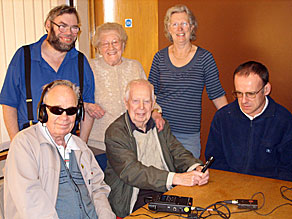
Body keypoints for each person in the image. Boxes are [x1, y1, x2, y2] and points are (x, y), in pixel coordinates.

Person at [4, 80, 115, 218]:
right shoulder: (24, 144)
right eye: (57, 110)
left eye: (71, 111)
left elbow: (98, 189)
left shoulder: (80, 146)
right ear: (43, 112)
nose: (65, 118)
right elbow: (31, 205)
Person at [104, 79, 209, 217]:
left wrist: (194, 167)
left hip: (167, 188)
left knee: (204, 207)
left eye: (146, 101)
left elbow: (177, 151)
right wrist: (175, 178)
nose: (141, 107)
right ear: (126, 102)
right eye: (135, 101)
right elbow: (132, 171)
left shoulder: (160, 126)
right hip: (134, 194)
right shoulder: (115, 133)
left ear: (153, 103)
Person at [0, 5, 95, 142]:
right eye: (62, 26)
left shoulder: (80, 61)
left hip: (68, 143)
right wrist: (17, 144)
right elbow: (9, 104)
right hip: (30, 141)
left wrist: (82, 145)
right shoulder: (24, 57)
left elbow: (88, 107)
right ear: (48, 25)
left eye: (74, 27)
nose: (69, 32)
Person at [148, 4, 227, 158]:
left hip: (189, 136)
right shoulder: (159, 58)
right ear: (168, 29)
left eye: (184, 24)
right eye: (175, 24)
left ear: (191, 27)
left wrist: (233, 120)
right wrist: (154, 113)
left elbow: (217, 94)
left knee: (189, 178)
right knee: (162, 179)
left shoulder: (205, 58)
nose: (180, 29)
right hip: (160, 131)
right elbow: (150, 95)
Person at [205, 61, 292, 181]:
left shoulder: (284, 120)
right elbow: (214, 159)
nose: (244, 101)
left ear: (266, 89)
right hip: (228, 185)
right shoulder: (223, 117)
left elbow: (287, 168)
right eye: (239, 93)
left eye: (251, 94)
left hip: (269, 188)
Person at [86, 22, 164, 151]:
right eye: (105, 43)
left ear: (123, 44)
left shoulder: (134, 66)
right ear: (98, 48)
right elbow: (77, 98)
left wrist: (155, 112)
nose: (111, 47)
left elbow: (149, 96)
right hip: (99, 143)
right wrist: (87, 105)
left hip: (132, 141)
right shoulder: (89, 67)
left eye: (115, 42)